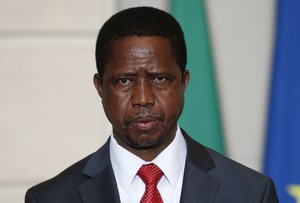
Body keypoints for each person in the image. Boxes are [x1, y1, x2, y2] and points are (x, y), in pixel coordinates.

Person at [25, 6, 278, 203]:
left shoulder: (251, 193)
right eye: (125, 80)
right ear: (100, 87)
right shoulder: (50, 198)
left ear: (184, 82)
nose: (143, 98)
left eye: (159, 79)